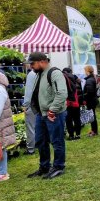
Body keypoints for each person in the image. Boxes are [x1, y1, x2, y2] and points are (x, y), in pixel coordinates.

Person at [26, 52, 68, 180]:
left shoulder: (54, 73)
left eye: (33, 63)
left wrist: (52, 110)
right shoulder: (39, 74)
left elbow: (61, 93)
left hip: (53, 114)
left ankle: (58, 166)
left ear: (42, 61)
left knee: (56, 140)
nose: (31, 66)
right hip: (41, 114)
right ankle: (44, 166)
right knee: (41, 141)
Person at [62, 68, 82, 141]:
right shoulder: (76, 78)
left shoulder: (63, 77)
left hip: (68, 103)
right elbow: (80, 89)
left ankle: (71, 135)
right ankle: (78, 134)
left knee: (68, 120)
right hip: (76, 102)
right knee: (77, 119)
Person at [22, 66, 37, 154]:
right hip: (41, 104)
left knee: (31, 127)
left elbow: (29, 91)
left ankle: (31, 149)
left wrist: (26, 105)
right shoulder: (44, 72)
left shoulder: (32, 74)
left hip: (32, 104)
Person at [83, 65, 99, 137]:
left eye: (85, 71)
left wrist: (83, 97)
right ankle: (94, 130)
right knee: (92, 115)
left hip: (91, 100)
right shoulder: (92, 78)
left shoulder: (89, 80)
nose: (84, 72)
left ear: (87, 71)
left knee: (92, 116)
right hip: (92, 100)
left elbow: (90, 92)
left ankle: (94, 131)